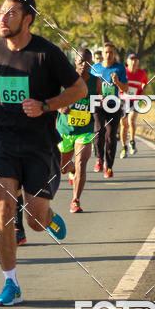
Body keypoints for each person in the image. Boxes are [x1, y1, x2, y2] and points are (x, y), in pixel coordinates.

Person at [0, 0, 87, 306]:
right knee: (3, 209)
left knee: (34, 220)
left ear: (27, 19)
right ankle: (11, 283)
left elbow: (79, 89)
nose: (2, 18)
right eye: (1, 12)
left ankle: (46, 217)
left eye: (10, 13)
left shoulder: (47, 54)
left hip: (39, 144)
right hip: (3, 142)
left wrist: (47, 105)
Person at [57, 48, 101, 213]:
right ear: (75, 61)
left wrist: (99, 103)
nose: (85, 65)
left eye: (88, 62)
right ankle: (71, 170)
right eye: (81, 61)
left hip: (85, 130)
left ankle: (75, 200)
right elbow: (53, 97)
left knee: (82, 162)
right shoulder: (64, 78)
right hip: (65, 129)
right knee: (63, 168)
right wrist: (60, 106)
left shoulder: (95, 82)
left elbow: (97, 101)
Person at [91, 41, 128, 178]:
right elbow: (88, 86)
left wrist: (117, 82)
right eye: (106, 52)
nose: (108, 55)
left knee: (111, 137)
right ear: (102, 53)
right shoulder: (95, 68)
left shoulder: (120, 68)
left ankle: (109, 166)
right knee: (99, 130)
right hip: (98, 105)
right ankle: (99, 159)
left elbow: (125, 88)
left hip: (113, 105)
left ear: (114, 54)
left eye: (111, 52)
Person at [120, 53, 149, 157]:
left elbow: (145, 82)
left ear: (138, 62)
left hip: (135, 100)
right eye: (131, 60)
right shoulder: (123, 71)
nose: (133, 62)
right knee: (123, 124)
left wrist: (143, 89)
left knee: (131, 120)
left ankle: (132, 142)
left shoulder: (141, 73)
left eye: (135, 60)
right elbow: (117, 82)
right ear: (127, 62)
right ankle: (124, 147)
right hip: (123, 100)